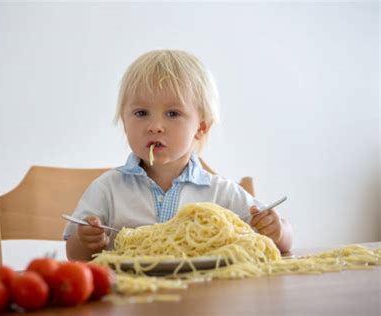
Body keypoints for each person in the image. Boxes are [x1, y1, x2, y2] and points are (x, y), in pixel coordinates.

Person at [64, 50, 292, 261]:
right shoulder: (107, 189)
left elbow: (282, 244)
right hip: (128, 297)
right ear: (125, 125)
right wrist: (86, 241)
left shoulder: (220, 193)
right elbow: (74, 256)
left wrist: (277, 231)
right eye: (141, 113)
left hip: (206, 295)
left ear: (201, 128)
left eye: (173, 113)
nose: (155, 126)